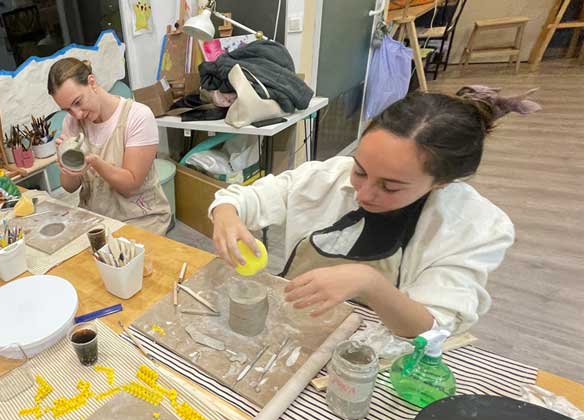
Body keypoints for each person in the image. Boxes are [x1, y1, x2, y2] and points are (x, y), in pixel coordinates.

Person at [210, 89, 538, 337]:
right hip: (295, 322)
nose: (364, 193)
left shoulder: (473, 227)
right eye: (361, 170)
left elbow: (431, 329)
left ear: (442, 182)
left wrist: (371, 284)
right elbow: (242, 199)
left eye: (390, 187)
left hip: (378, 346)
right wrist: (227, 214)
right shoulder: (330, 176)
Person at [48, 58, 172, 234]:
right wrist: (67, 165)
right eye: (67, 109)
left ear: (91, 82)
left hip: (140, 220)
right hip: (95, 220)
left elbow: (130, 185)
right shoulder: (72, 122)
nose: (77, 114)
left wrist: (94, 162)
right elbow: (69, 187)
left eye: (77, 102)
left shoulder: (137, 116)